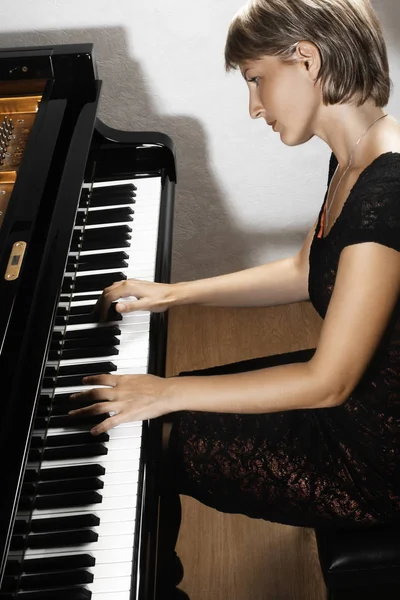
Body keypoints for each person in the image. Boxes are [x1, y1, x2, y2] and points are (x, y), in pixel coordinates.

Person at [69, 0, 400, 597]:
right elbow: (306, 269)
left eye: (255, 80)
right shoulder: (358, 154)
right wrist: (175, 294)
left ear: (307, 58)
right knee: (156, 411)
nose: (253, 108)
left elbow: (328, 382)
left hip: (375, 454)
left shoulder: (391, 186)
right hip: (362, 407)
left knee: (153, 430)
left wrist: (165, 391)